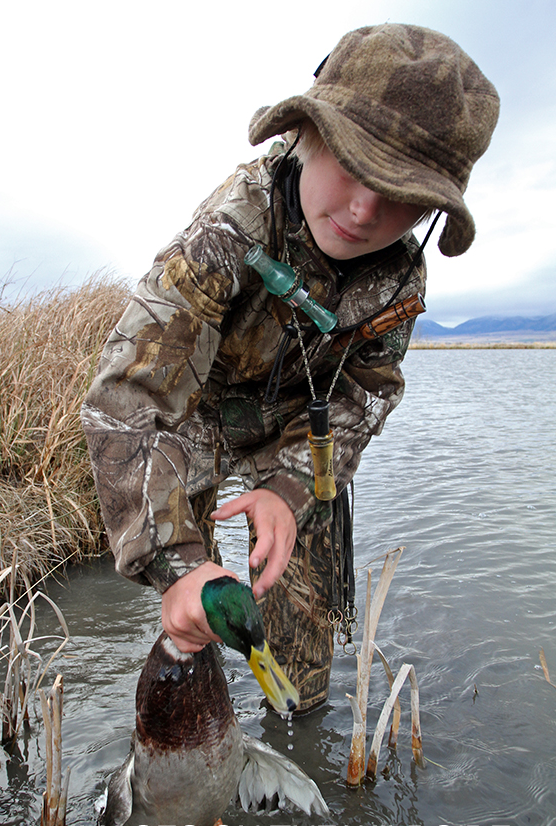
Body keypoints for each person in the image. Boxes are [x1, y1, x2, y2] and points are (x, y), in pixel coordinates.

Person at [82, 24, 499, 711]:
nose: (365, 210)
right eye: (353, 165)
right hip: (192, 419)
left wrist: (290, 489)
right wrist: (179, 563)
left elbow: (368, 389)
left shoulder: (401, 282)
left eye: (400, 193)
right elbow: (129, 398)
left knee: (307, 637)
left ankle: (299, 727)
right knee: (194, 610)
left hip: (296, 435)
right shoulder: (225, 233)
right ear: (304, 132)